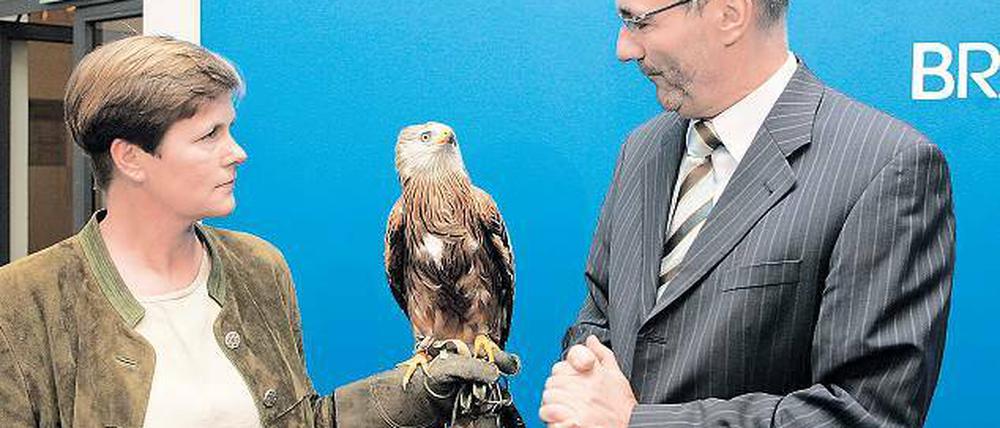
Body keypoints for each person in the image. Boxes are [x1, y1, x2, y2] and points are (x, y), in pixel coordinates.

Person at [0, 35, 516, 427]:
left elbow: (301, 421)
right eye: (209, 135)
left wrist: (424, 391)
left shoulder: (259, 267)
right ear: (131, 157)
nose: (237, 152)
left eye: (231, 128)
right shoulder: (24, 303)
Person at [540, 0, 955, 426]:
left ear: (730, 13)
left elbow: (864, 414)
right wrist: (582, 377)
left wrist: (636, 421)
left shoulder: (885, 166)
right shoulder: (642, 150)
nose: (623, 48)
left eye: (638, 21)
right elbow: (600, 317)